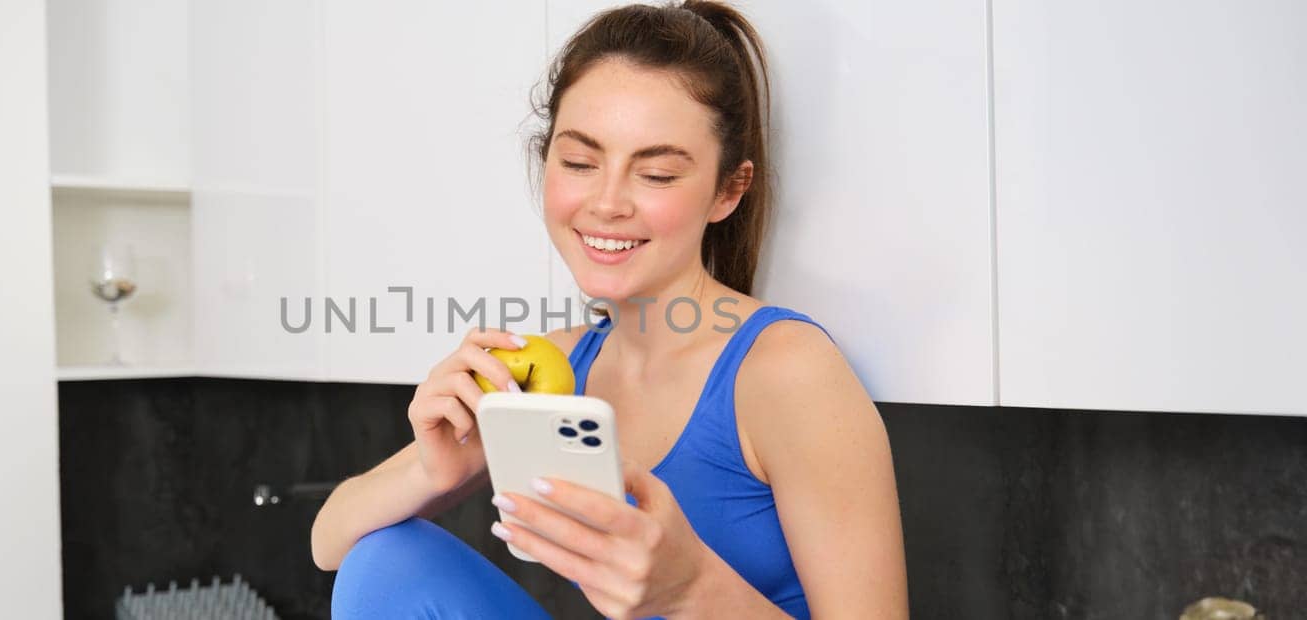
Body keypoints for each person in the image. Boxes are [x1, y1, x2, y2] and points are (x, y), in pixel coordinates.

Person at [310, 1, 908, 617]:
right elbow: (331, 543)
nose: (608, 202)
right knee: (388, 563)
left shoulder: (786, 371)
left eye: (655, 174)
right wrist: (439, 470)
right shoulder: (558, 369)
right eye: (580, 163)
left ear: (728, 190)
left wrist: (691, 587)